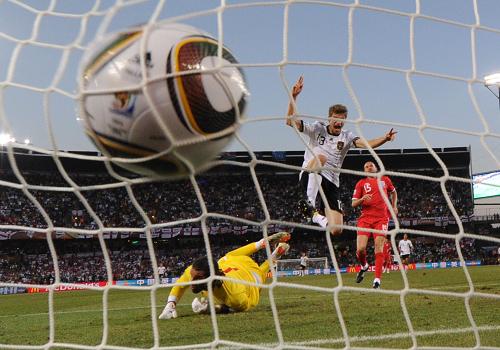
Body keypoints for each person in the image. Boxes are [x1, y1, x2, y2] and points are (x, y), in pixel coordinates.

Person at [286, 76, 397, 236]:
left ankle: (316, 217)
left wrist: (385, 138)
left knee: (336, 230)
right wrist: (294, 96)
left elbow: (367, 144)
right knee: (321, 156)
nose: (339, 123)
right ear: (330, 118)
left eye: (342, 120)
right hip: (312, 172)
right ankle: (308, 201)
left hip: (332, 181)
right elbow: (290, 121)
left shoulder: (347, 137)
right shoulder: (317, 128)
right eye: (336, 119)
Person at [158, 232, 291, 319]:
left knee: (259, 276)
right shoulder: (196, 271)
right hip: (232, 261)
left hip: (249, 275)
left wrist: (210, 309)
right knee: (228, 256)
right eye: (192, 277)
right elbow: (180, 285)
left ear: (211, 277)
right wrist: (170, 305)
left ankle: (275, 255)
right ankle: (261, 243)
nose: (191, 281)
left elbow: (240, 308)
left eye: (197, 278)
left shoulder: (235, 295)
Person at [352, 161, 397, 289]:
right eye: (366, 166)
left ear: (376, 167)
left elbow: (394, 192)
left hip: (381, 219)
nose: (369, 167)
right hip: (365, 219)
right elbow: (353, 203)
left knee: (379, 246)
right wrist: (362, 199)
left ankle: (377, 280)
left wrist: (394, 206)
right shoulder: (361, 183)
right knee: (360, 249)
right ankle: (364, 266)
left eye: (371, 165)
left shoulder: (385, 180)